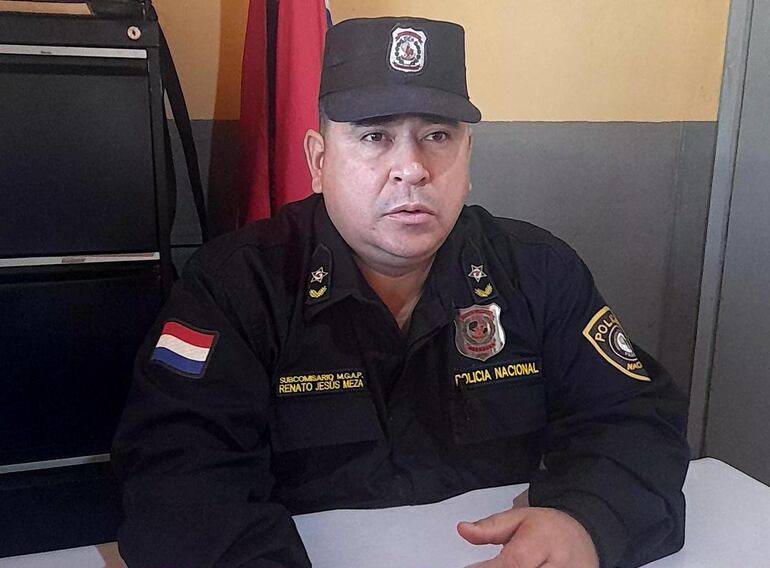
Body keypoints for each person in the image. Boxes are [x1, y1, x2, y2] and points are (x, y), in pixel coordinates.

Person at [112, 16, 689, 568]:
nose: (411, 169)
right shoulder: (236, 286)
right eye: (375, 136)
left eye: (437, 136)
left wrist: (586, 522)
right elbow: (177, 477)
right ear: (318, 161)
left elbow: (632, 418)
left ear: (468, 157)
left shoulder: (538, 272)